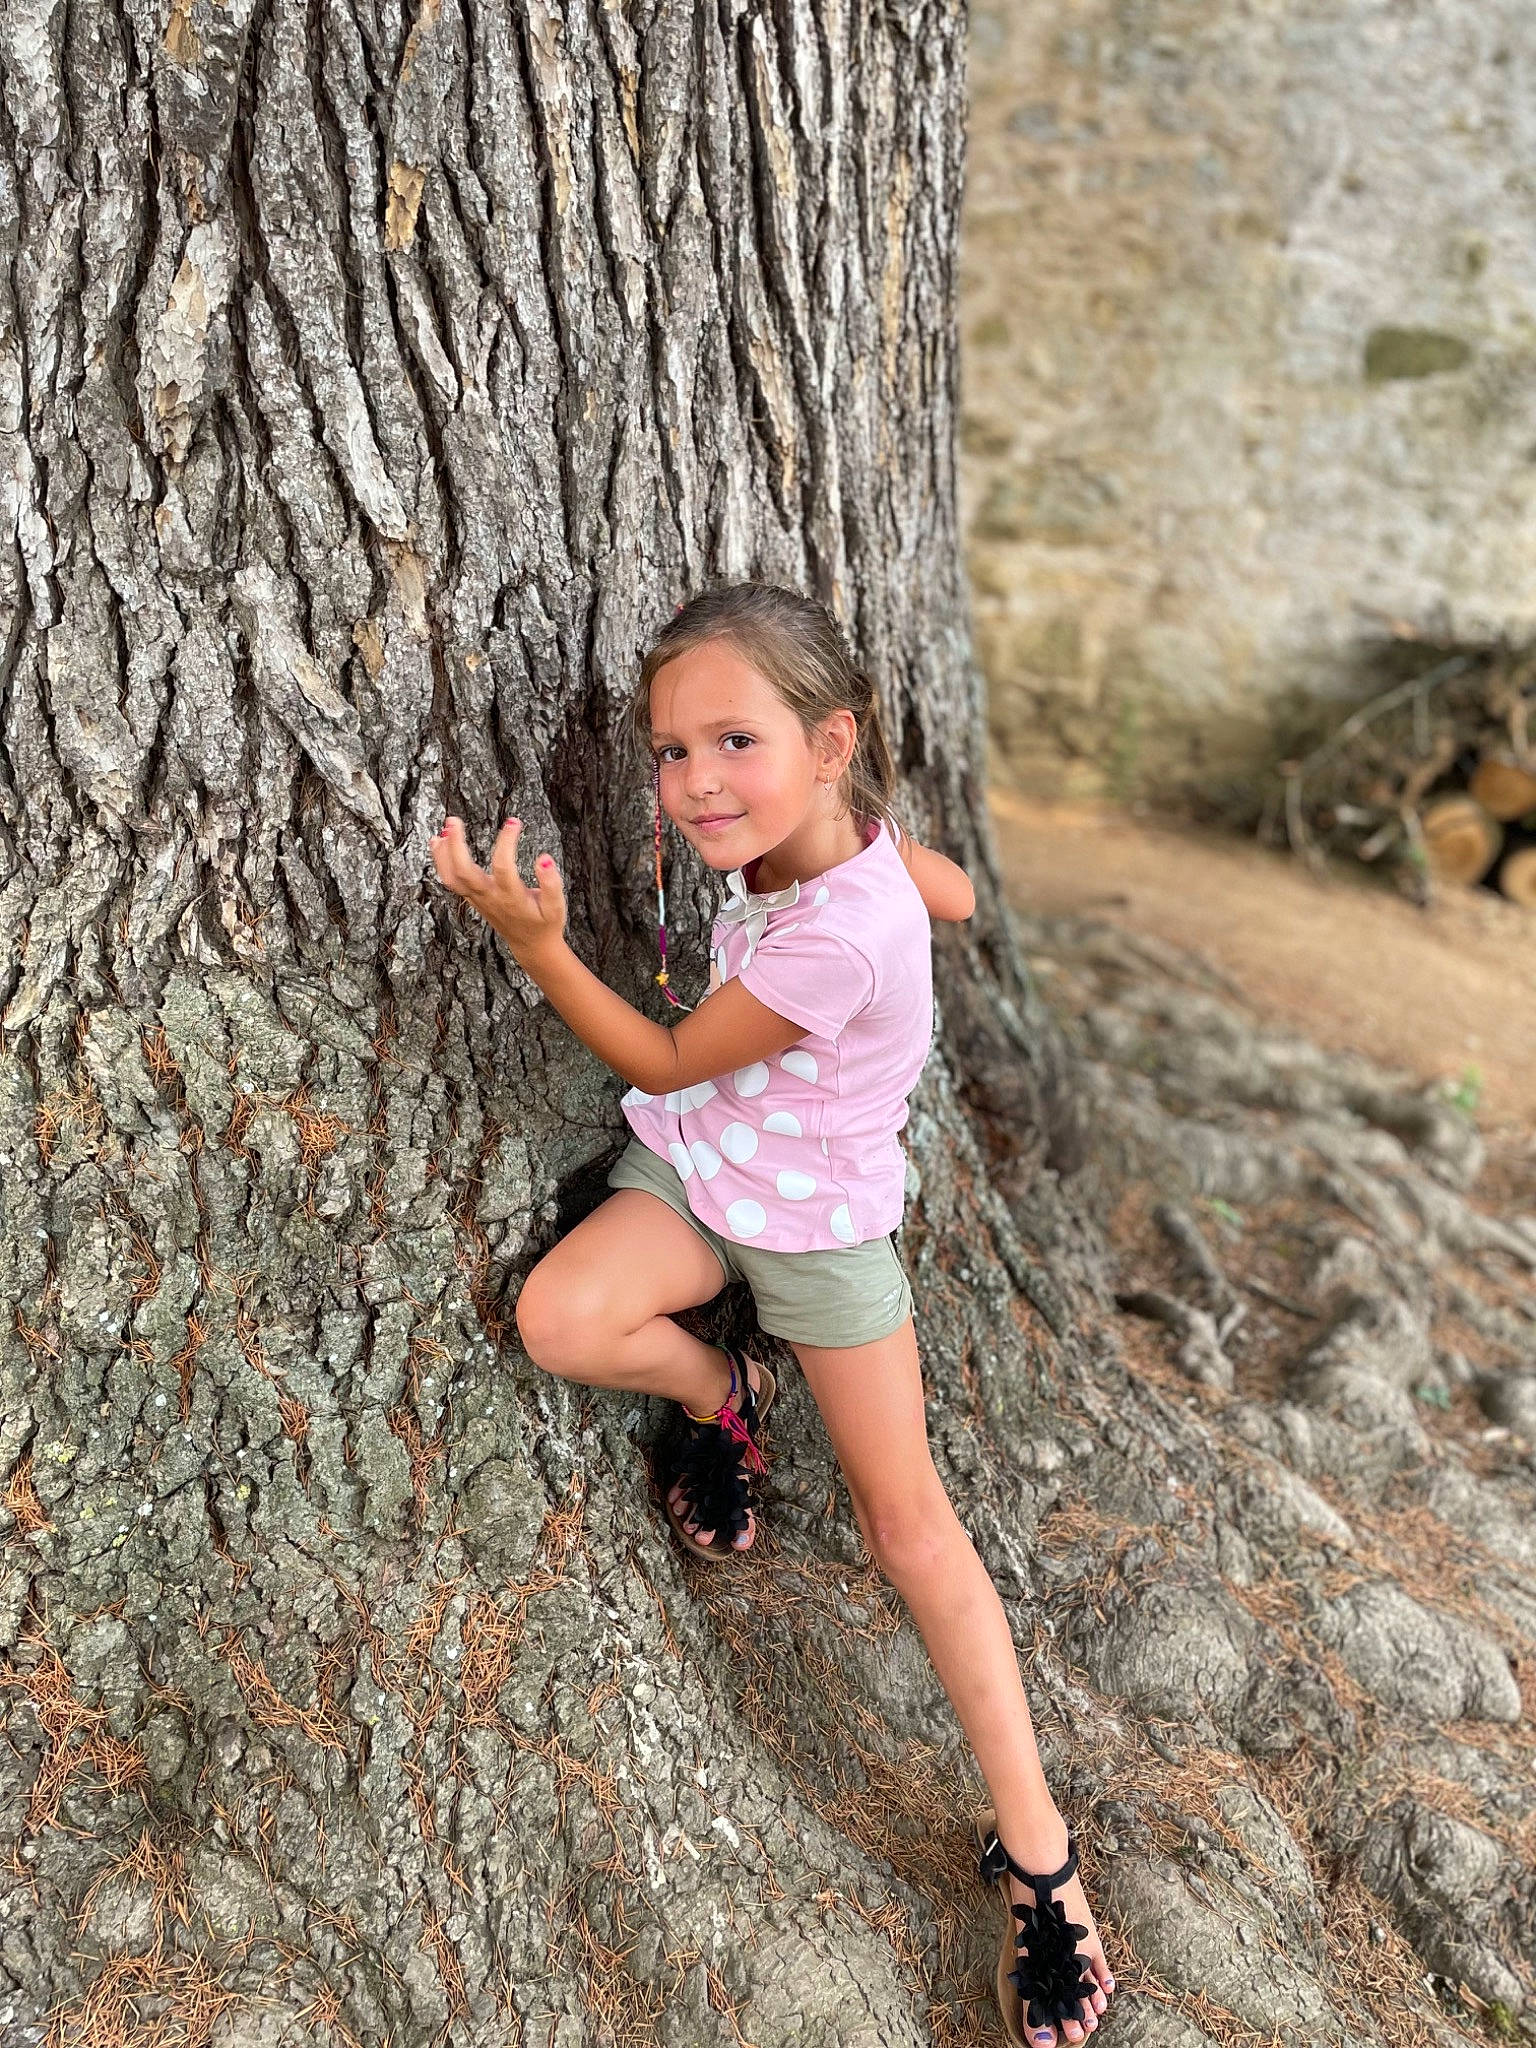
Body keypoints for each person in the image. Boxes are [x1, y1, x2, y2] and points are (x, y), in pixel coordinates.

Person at [428, 583, 1114, 2046]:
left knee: (908, 1526)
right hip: (698, 1177)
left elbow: (673, 1058)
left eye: (733, 742)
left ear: (830, 739)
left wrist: (538, 947)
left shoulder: (836, 937)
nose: (692, 787)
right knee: (560, 1318)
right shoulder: (844, 847)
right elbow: (956, 891)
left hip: (816, 1229)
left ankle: (1040, 1857)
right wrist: (905, 866)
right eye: (671, 753)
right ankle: (716, 1394)